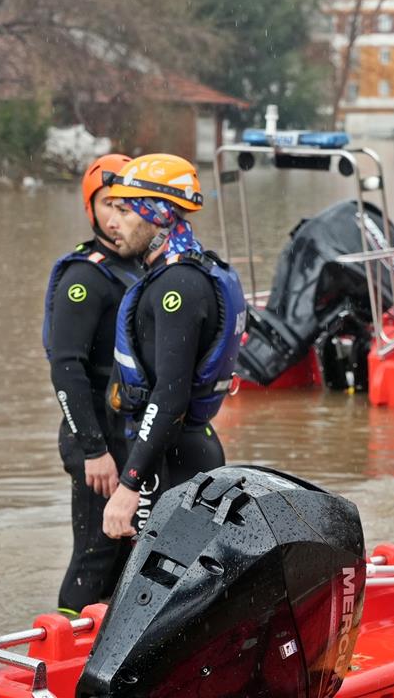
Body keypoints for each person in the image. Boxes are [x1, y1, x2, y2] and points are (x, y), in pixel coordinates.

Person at [101, 154, 246, 539]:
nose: (114, 222)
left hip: (174, 461)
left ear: (157, 215)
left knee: (159, 589)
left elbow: (170, 395)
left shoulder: (178, 285)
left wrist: (131, 484)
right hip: (178, 452)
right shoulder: (175, 273)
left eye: (125, 211)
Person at [43, 153, 144, 616]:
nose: (117, 215)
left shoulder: (144, 268)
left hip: (131, 432)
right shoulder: (85, 276)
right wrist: (92, 449)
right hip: (97, 438)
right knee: (95, 553)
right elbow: (66, 368)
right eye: (108, 203)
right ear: (91, 210)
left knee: (131, 554)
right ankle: (57, 648)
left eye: (127, 204)